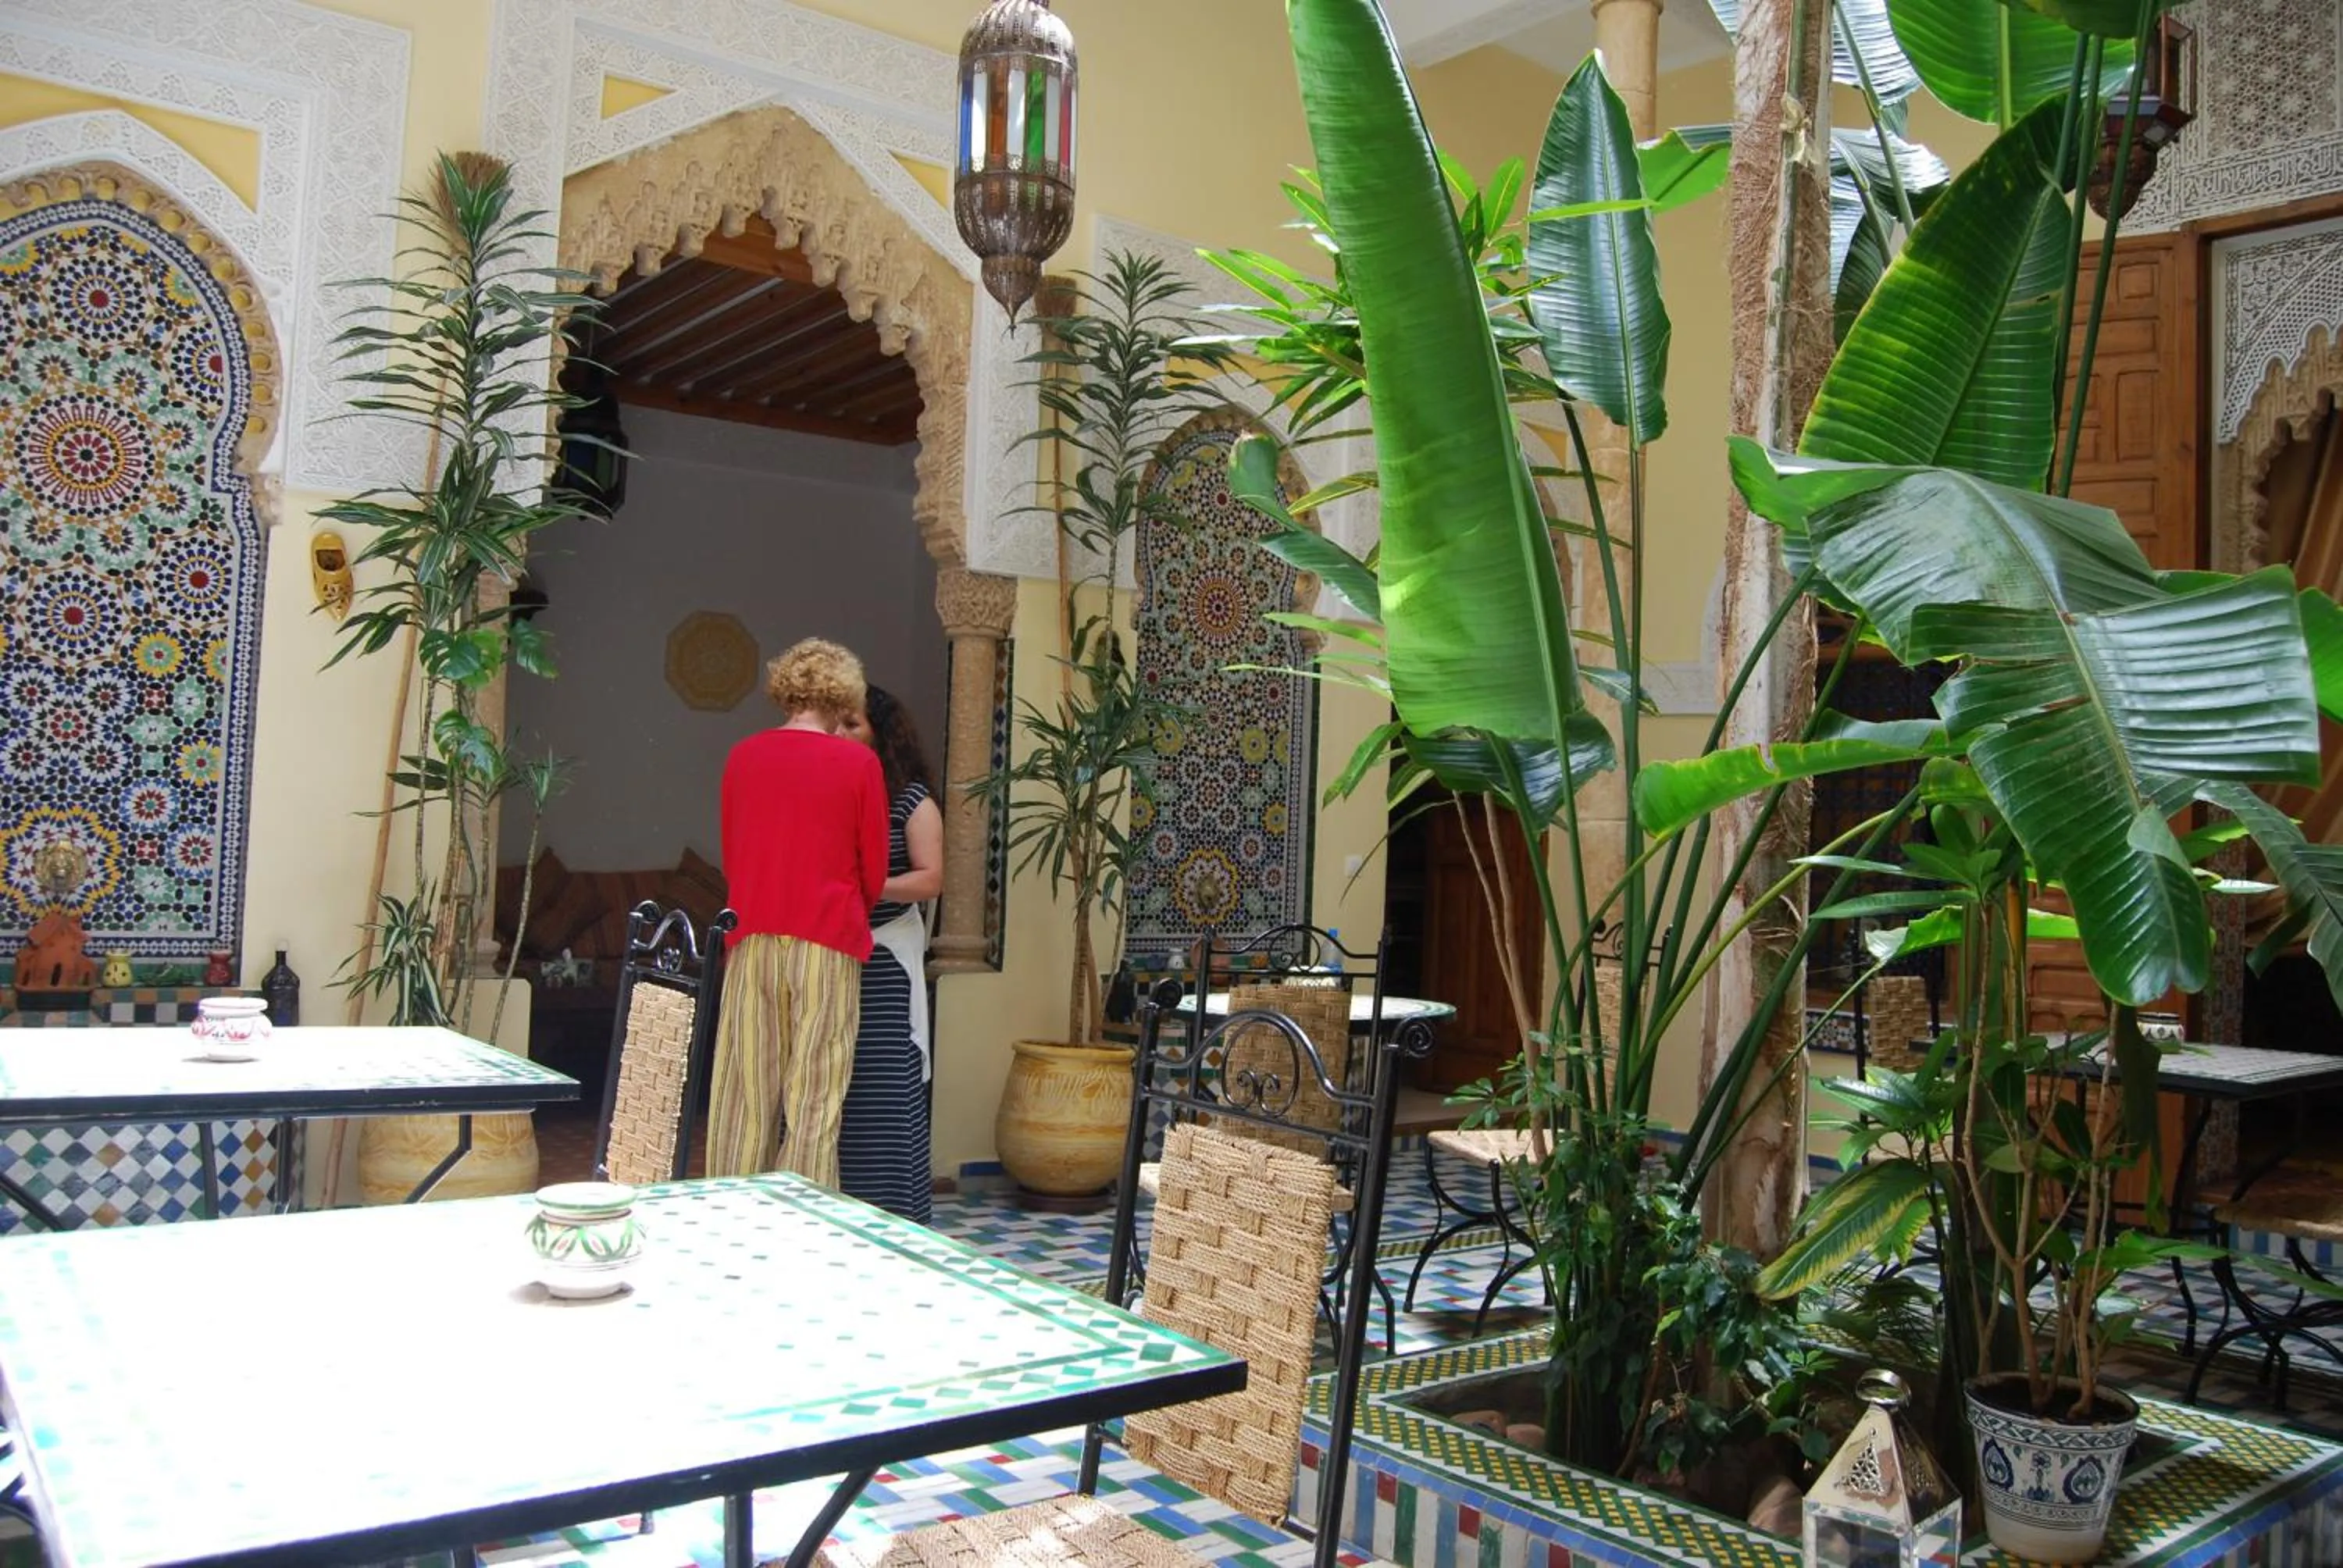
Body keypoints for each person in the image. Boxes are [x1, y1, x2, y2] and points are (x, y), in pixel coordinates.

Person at [711, 638, 888, 1185]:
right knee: (816, 1095)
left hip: (752, 935)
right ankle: (805, 1223)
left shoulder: (743, 755)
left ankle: (728, 1215)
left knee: (744, 1094)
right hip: (827, 938)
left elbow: (732, 849)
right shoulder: (858, 763)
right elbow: (874, 867)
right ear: (843, 698)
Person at [837, 686, 944, 1223]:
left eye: (852, 724)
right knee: (839, 1089)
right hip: (833, 962)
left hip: (883, 968)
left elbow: (930, 879)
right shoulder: (832, 793)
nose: (840, 733)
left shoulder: (911, 800)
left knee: (882, 1088)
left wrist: (868, 886)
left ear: (883, 732)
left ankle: (896, 1219)